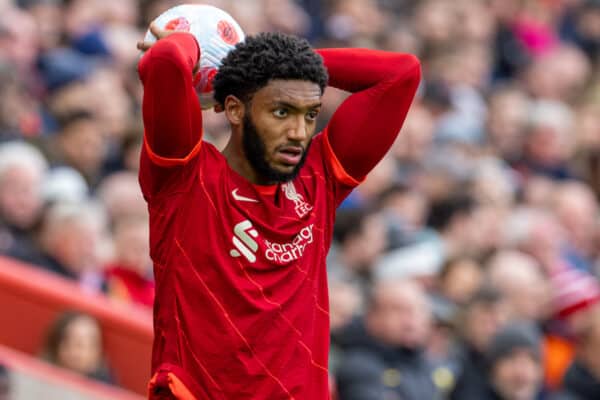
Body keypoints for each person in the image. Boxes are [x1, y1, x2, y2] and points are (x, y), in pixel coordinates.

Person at [136, 20, 420, 400]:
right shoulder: (184, 178)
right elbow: (169, 59)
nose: (300, 132)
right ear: (235, 110)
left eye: (310, 114)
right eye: (281, 112)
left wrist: (281, 63)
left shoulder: (319, 180)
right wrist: (205, 49)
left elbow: (401, 74)